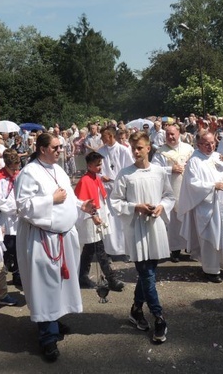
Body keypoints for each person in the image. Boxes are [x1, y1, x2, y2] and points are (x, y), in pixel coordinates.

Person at [14, 132, 94, 362]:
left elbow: (67, 197)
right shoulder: (28, 173)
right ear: (42, 149)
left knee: (59, 283)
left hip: (63, 236)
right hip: (42, 239)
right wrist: (50, 200)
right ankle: (47, 337)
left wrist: (81, 206)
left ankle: (54, 320)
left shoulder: (58, 170)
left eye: (60, 147)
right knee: (46, 285)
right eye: (56, 147)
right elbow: (23, 207)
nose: (60, 151)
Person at [110, 131, 175, 344]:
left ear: (148, 148)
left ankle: (136, 310)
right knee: (147, 274)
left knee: (148, 272)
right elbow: (115, 201)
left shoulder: (159, 172)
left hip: (155, 227)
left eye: (140, 147)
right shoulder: (125, 174)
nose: (136, 151)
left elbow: (169, 195)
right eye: (133, 148)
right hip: (136, 228)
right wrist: (134, 207)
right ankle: (159, 317)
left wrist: (161, 207)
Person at [180, 130, 223, 283]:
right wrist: (213, 186)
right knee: (210, 237)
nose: (211, 146)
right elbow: (192, 184)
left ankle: (222, 264)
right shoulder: (194, 161)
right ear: (199, 144)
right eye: (206, 144)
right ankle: (211, 270)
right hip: (206, 207)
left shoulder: (217, 156)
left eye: (213, 143)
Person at [74, 151, 125, 291]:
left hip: (98, 215)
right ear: (89, 165)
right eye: (97, 165)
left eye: (100, 164)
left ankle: (82, 276)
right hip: (91, 218)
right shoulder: (85, 180)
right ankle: (111, 279)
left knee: (90, 249)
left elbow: (100, 197)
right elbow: (84, 202)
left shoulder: (96, 177)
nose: (100, 167)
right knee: (99, 249)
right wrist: (93, 214)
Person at [153, 123, 195, 259]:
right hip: (171, 190)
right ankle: (175, 250)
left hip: (188, 190)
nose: (170, 137)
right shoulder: (161, 152)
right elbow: (154, 170)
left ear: (178, 134)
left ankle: (191, 247)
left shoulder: (189, 149)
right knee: (174, 221)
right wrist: (170, 169)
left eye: (172, 134)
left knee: (189, 218)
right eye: (167, 134)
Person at [97, 126, 134, 257]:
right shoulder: (101, 151)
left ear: (111, 136)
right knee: (110, 220)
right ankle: (111, 250)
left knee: (123, 220)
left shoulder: (123, 150)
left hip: (121, 190)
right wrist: (101, 176)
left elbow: (130, 169)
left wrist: (119, 180)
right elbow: (96, 170)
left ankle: (126, 250)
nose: (101, 139)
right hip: (106, 190)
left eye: (103, 136)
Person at [0, 149, 21, 288]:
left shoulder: (18, 177)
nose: (16, 171)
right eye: (13, 169)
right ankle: (0, 274)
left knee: (19, 249)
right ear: (7, 166)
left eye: (17, 168)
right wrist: (16, 208)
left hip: (19, 218)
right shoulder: (1, 179)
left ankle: (17, 275)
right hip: (7, 218)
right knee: (7, 249)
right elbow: (0, 202)